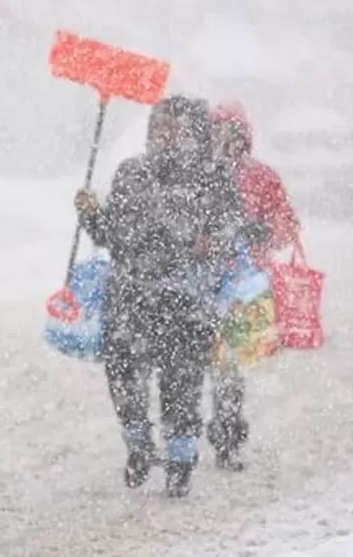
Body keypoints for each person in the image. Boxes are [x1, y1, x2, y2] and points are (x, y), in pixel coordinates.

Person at [74, 95, 245, 497]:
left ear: (195, 133)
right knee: (124, 381)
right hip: (129, 297)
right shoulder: (131, 173)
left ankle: (181, 460)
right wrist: (91, 215)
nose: (165, 136)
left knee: (180, 385)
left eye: (175, 128)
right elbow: (113, 236)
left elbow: (232, 227)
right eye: (158, 127)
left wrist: (213, 240)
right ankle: (137, 445)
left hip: (185, 302)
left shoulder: (214, 178)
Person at [206, 100, 300, 471]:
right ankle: (216, 427)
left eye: (232, 132)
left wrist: (265, 230)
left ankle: (227, 427)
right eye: (217, 131)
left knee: (230, 360)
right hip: (205, 281)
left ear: (244, 136)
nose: (224, 140)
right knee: (213, 361)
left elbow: (287, 223)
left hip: (246, 285)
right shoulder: (199, 176)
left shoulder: (262, 177)